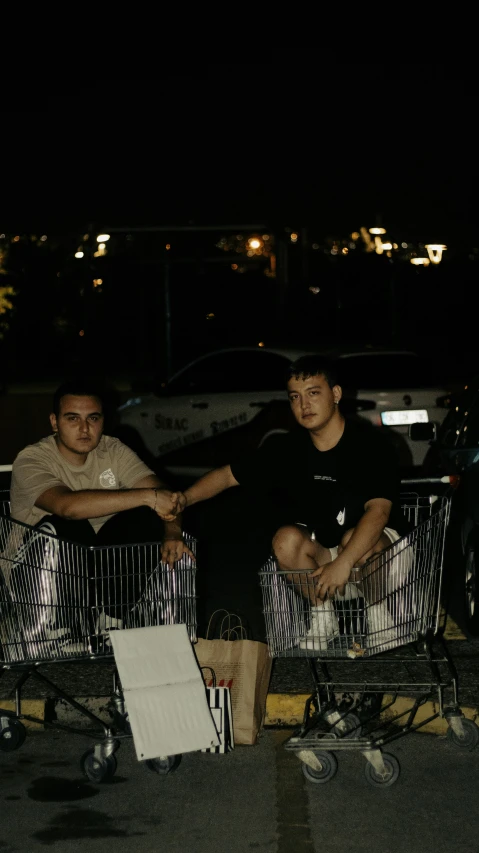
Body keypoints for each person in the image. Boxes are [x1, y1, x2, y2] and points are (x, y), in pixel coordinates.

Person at [173, 355, 410, 652]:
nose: (304, 405)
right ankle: (322, 615)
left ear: (335, 394)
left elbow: (379, 512)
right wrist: (184, 499)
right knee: (285, 539)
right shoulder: (288, 448)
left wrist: (344, 561)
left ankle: (380, 617)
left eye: (313, 393)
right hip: (327, 563)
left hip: (383, 559)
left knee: (354, 537)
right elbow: (227, 476)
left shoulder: (371, 445)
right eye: (295, 397)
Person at [9, 379, 192, 642]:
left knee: (143, 517)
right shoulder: (32, 459)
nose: (84, 428)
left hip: (97, 572)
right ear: (54, 422)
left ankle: (110, 621)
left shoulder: (112, 449)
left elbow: (165, 497)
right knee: (71, 524)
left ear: (103, 421)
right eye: (73, 418)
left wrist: (173, 532)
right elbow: (67, 507)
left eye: (92, 418)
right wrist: (147, 497)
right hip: (35, 578)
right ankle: (58, 627)